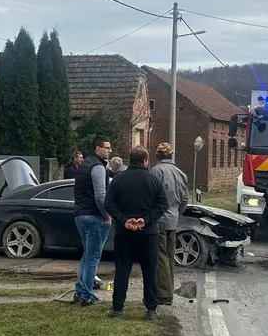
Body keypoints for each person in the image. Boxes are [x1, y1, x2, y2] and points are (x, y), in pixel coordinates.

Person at [104, 146, 169, 320]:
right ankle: (151, 309)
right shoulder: (153, 179)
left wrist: (123, 219)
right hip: (149, 233)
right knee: (150, 271)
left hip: (124, 233)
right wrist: (146, 220)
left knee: (122, 270)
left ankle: (117, 308)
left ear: (130, 160)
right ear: (145, 161)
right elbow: (163, 204)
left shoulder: (118, 179)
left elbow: (108, 203)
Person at [72, 136, 113, 306]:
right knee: (92, 258)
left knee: (86, 256)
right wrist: (107, 215)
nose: (110, 151)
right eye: (107, 147)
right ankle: (87, 295)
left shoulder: (83, 166)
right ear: (98, 149)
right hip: (94, 216)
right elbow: (101, 196)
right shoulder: (98, 167)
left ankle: (80, 292)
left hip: (80, 215)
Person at [151, 142, 189, 306]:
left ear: (157, 156)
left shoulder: (155, 172)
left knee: (161, 257)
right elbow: (185, 200)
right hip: (173, 220)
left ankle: (164, 294)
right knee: (169, 256)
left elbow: (150, 197)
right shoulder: (181, 174)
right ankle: (169, 289)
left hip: (159, 221)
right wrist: (176, 214)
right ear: (171, 156)